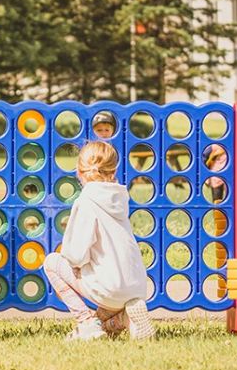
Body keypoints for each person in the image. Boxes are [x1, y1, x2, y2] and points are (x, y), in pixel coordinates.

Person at [42, 141, 155, 341]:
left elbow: (75, 255)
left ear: (79, 171)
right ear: (114, 170)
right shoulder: (120, 199)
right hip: (134, 288)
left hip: (108, 288)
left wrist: (78, 265)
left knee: (52, 263)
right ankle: (126, 319)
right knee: (104, 315)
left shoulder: (86, 202)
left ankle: (85, 322)